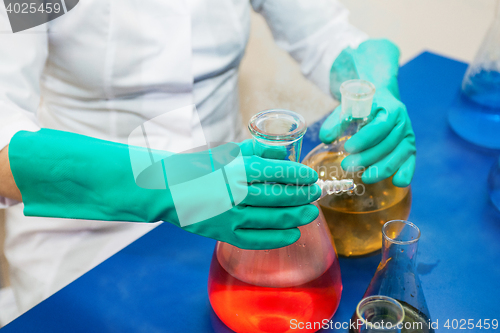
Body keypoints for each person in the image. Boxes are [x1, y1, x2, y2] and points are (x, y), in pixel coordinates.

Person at [0, 0, 416, 324]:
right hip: (85, 237)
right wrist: (175, 184)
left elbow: (322, 32)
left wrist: (368, 80)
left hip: (239, 209)